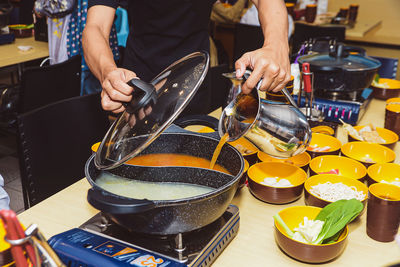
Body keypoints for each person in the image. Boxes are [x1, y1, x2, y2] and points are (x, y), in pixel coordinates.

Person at [82, 0, 290, 116]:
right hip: (139, 89)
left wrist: (276, 45)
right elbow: (95, 27)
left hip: (194, 85)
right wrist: (108, 72)